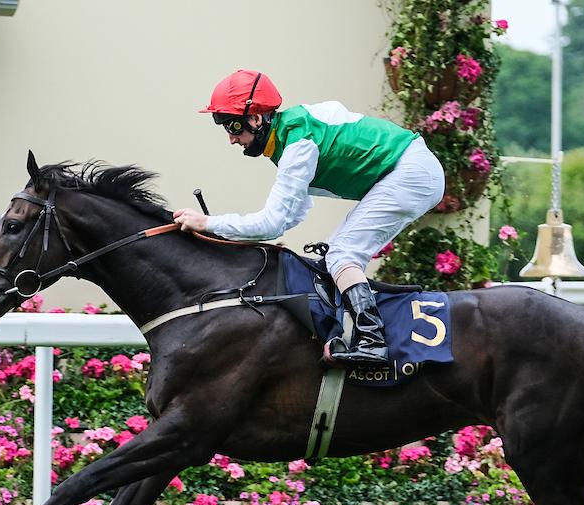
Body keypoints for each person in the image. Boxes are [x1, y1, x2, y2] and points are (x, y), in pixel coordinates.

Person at [173, 69, 445, 366]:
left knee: (342, 255)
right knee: (332, 256)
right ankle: (352, 333)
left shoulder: (298, 144)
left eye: (232, 126)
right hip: (411, 169)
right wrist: (223, 230)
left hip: (412, 173)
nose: (231, 139)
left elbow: (272, 224)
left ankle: (373, 342)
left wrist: (208, 223)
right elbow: (293, 214)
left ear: (256, 118)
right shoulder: (288, 138)